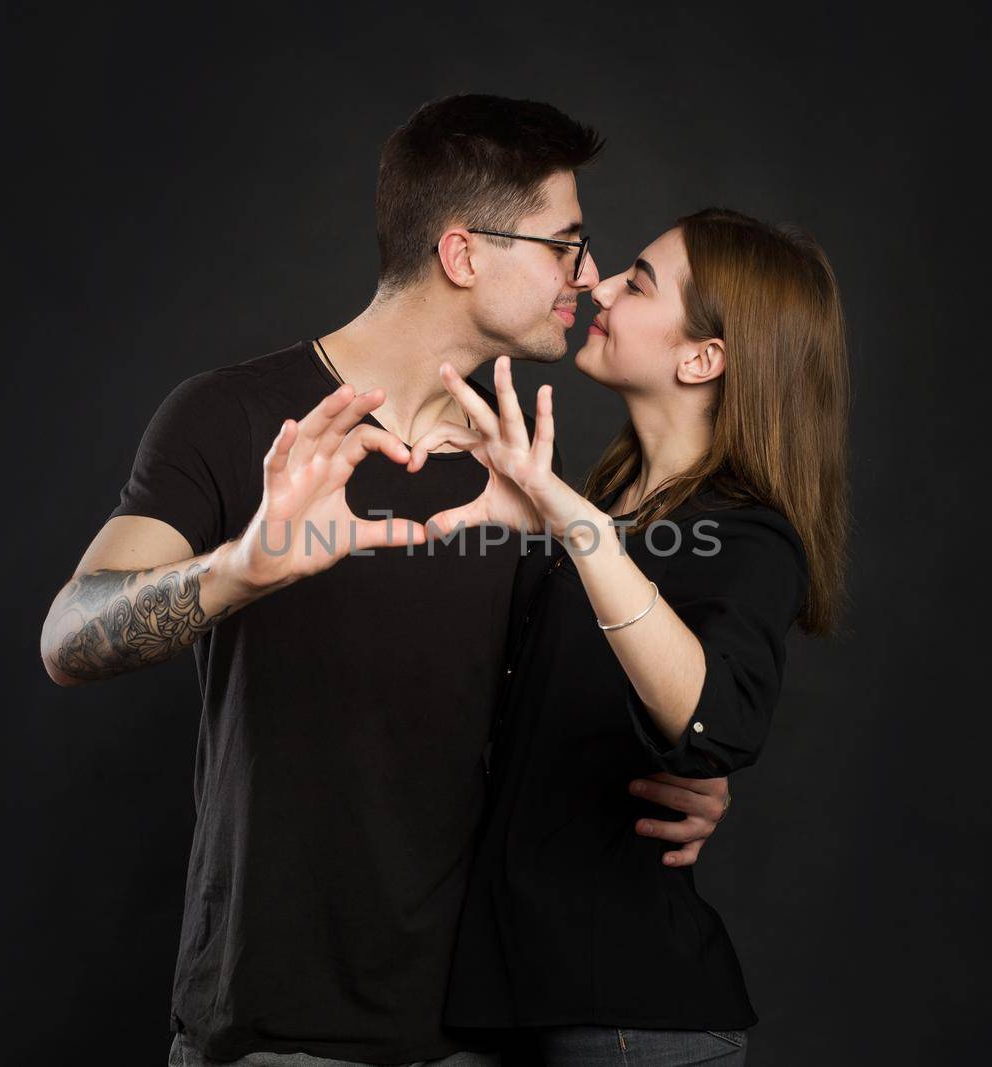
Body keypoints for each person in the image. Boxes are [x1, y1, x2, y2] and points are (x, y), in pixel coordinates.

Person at [37, 94, 734, 1067]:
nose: (587, 275)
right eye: (563, 245)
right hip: (274, 1024)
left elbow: (544, 710)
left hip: (476, 1024)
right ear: (462, 255)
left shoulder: (514, 465)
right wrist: (241, 568)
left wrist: (675, 778)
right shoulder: (230, 417)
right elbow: (71, 633)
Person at [404, 209, 851, 1065]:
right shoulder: (606, 511)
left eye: (638, 281)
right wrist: (539, 529)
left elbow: (717, 721)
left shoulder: (746, 538)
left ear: (702, 358)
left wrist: (570, 526)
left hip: (628, 1020)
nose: (598, 285)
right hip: (505, 998)